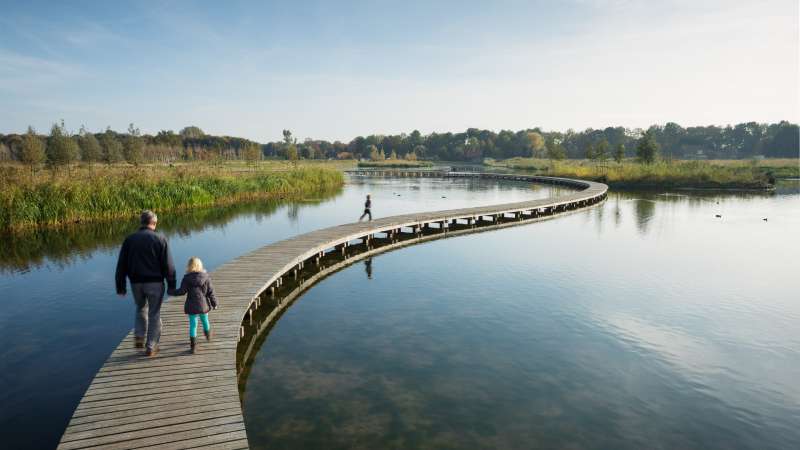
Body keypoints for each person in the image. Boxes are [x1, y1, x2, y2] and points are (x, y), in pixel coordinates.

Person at [115, 210, 176, 357]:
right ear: (154, 223)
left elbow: (121, 265)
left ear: (141, 222)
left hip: (136, 283)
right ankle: (151, 346)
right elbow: (169, 266)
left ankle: (139, 336)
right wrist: (172, 285)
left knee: (140, 308)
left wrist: (120, 286)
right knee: (154, 313)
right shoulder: (160, 239)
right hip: (155, 283)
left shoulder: (129, 239)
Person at [168, 257, 217, 354]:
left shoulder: (186, 278)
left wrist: (171, 292)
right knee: (205, 320)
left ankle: (193, 347)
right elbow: (211, 292)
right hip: (203, 305)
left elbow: (182, 291)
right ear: (200, 266)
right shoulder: (206, 277)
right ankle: (208, 335)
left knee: (193, 325)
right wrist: (214, 303)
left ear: (189, 266)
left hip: (191, 306)